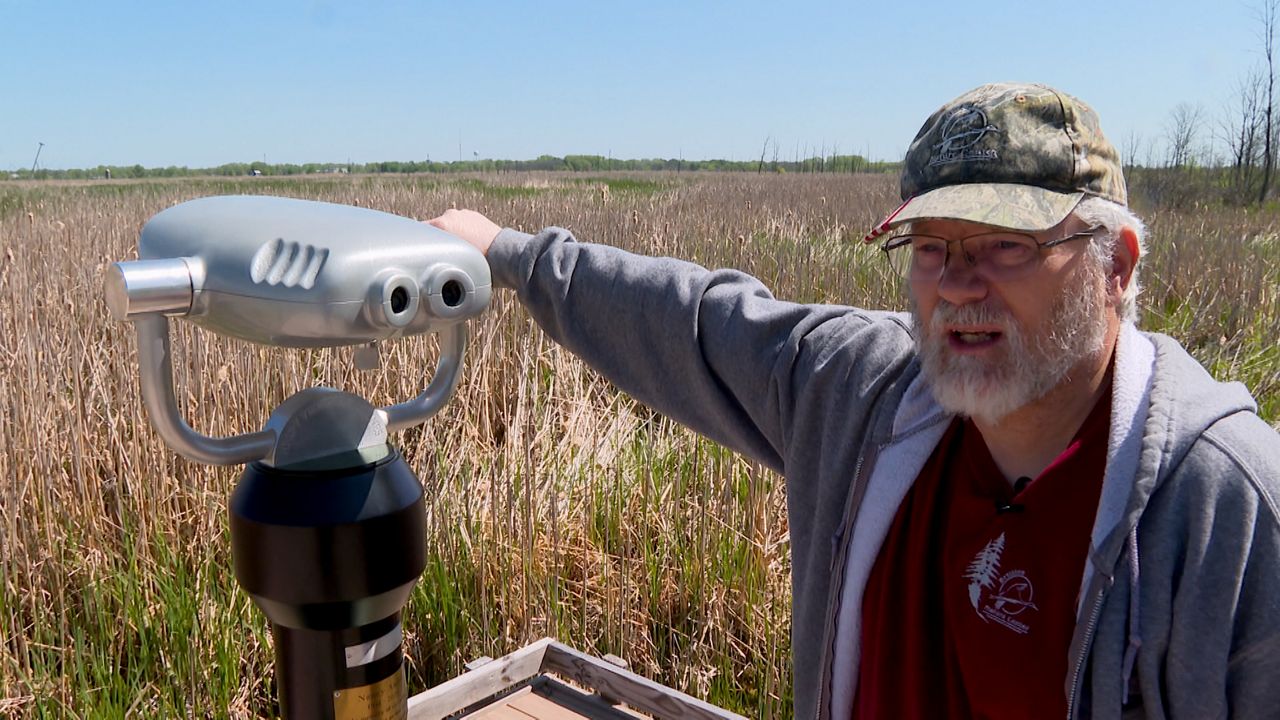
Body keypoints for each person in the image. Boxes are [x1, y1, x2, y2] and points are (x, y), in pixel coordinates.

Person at [428, 82, 1280, 719]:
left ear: (1117, 265)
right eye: (931, 245)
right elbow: (688, 322)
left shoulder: (1227, 516)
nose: (955, 285)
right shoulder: (864, 394)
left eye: (1004, 246)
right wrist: (504, 252)